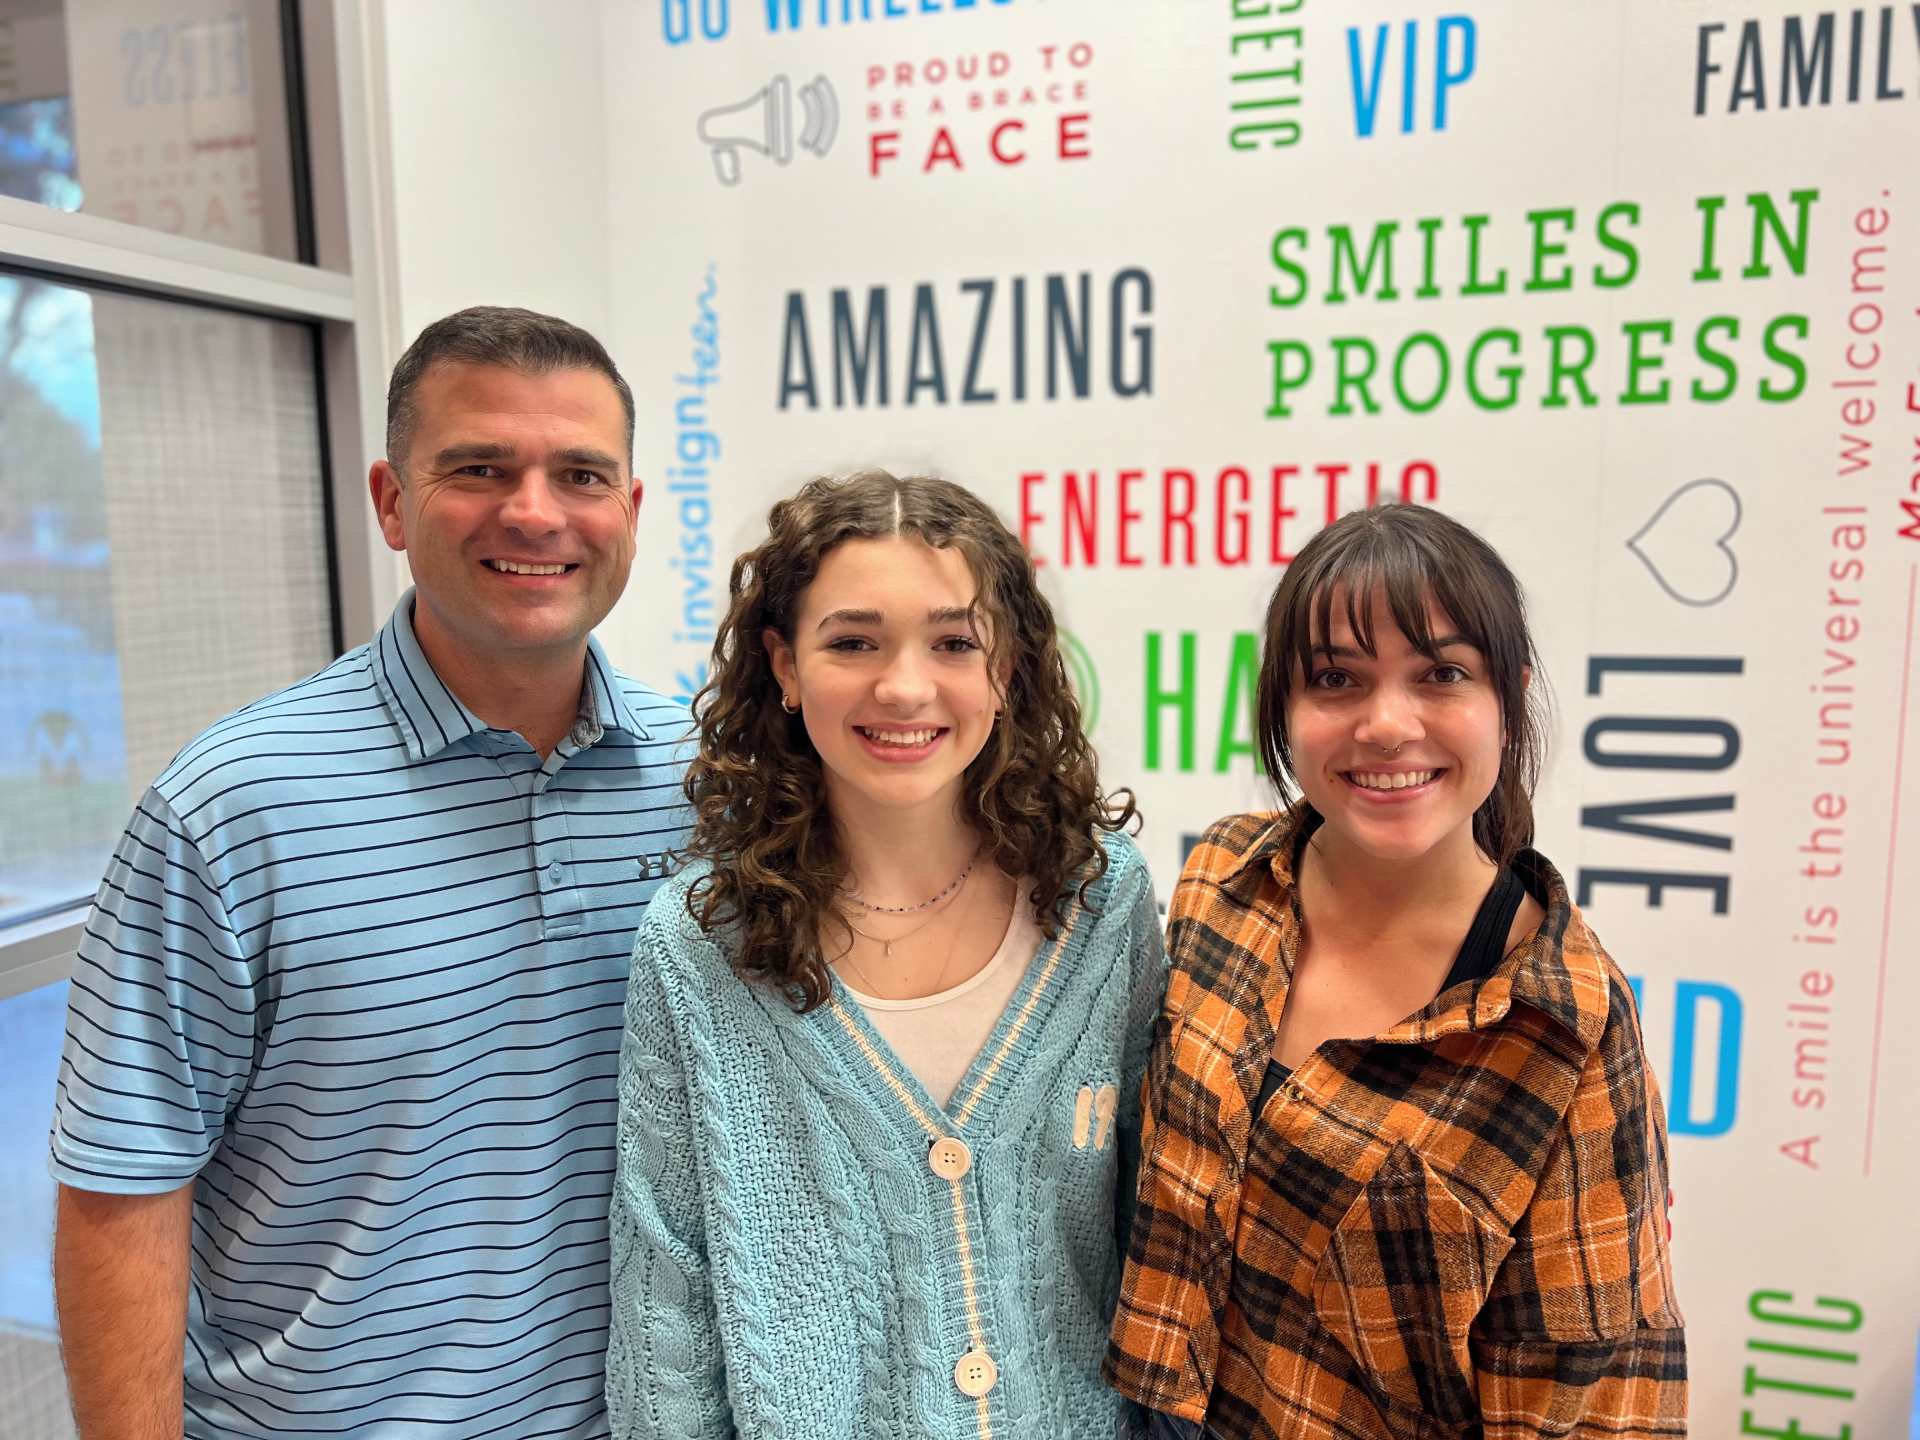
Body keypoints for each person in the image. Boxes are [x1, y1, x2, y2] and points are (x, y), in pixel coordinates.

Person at [49, 306, 692, 1439]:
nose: (534, 511)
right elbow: (121, 1194)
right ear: (392, 502)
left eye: (580, 475)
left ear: (631, 512)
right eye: (478, 468)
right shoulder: (228, 810)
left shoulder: (709, 785)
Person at [604, 470, 1166, 1439]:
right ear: (784, 666)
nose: (905, 686)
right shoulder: (699, 948)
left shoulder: (1098, 900)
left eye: (955, 642)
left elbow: (1154, 1237)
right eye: (853, 642)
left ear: (1008, 667)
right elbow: (667, 1307)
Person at [1106, 503, 1686, 1439]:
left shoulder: (1563, 1022)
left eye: (1442, 674)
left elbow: (1594, 1394)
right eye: (1336, 678)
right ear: (1282, 707)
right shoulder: (1224, 878)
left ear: (1510, 699)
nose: (1385, 725)